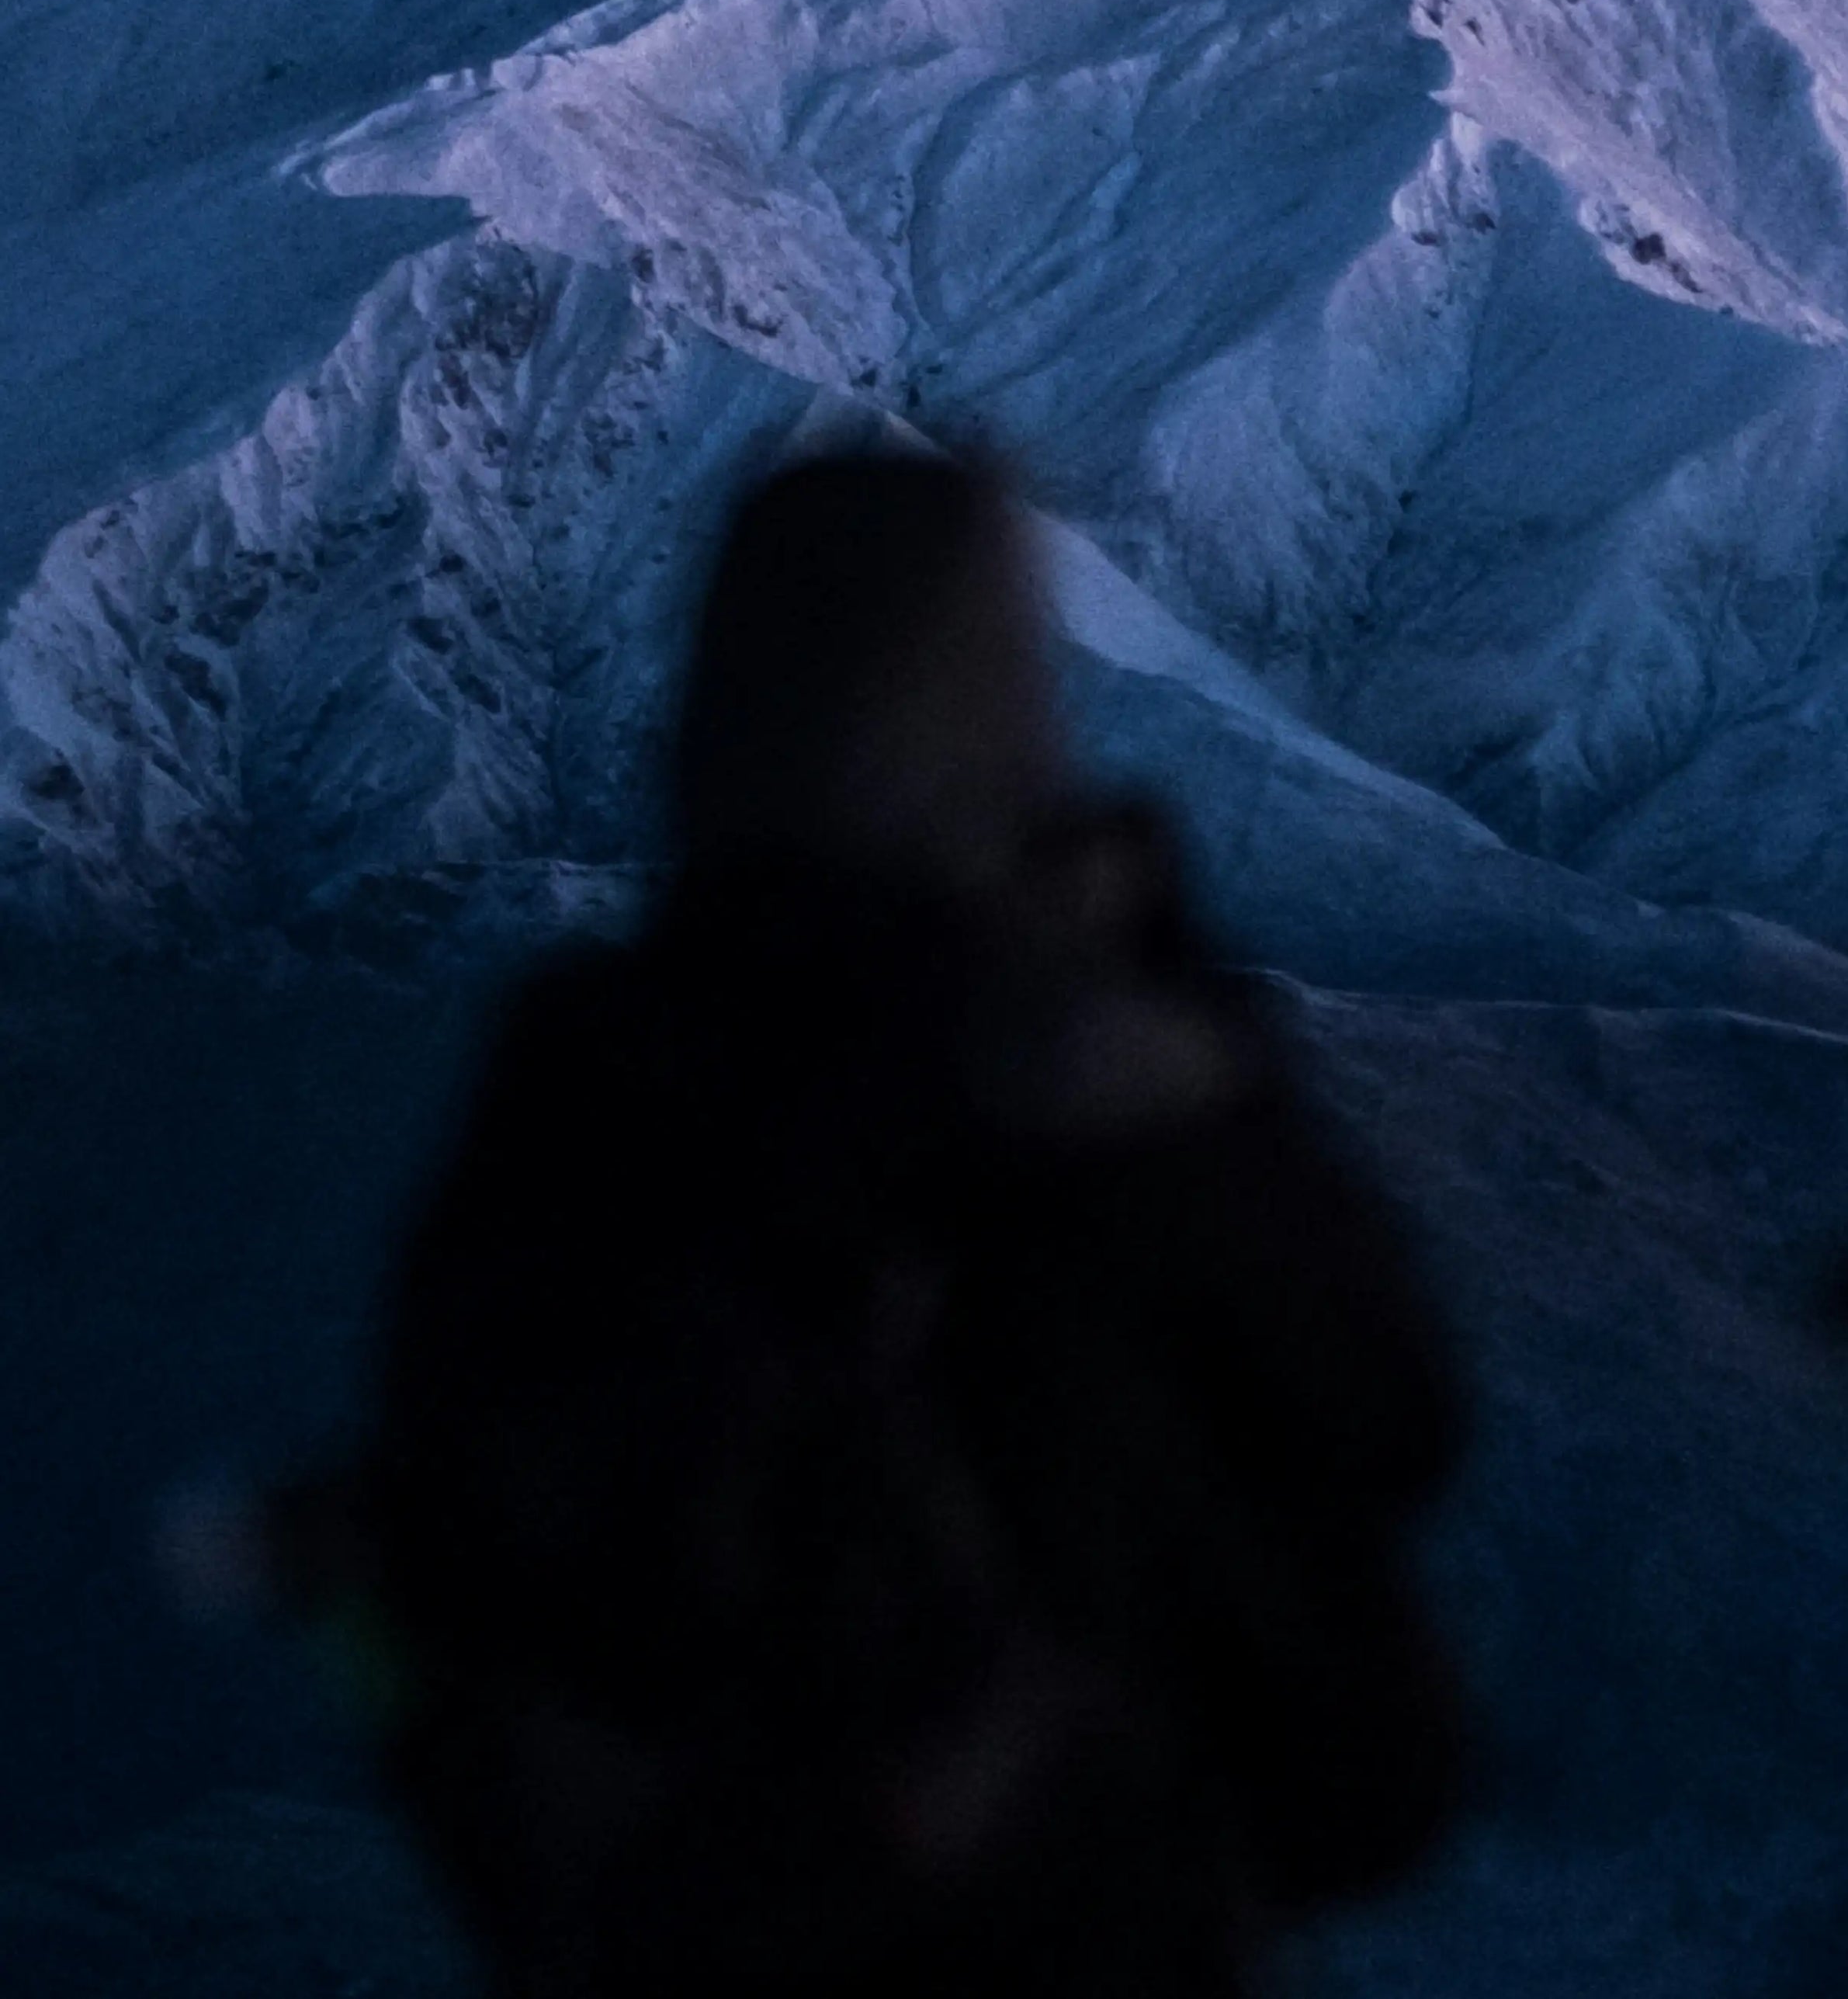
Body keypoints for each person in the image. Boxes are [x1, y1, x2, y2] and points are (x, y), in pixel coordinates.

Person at [342, 451, 1470, 1999]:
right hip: (1089, 1924)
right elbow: (1383, 1403)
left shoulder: (592, 1063)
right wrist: (1168, 1018)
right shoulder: (1087, 1070)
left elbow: (444, 1530)